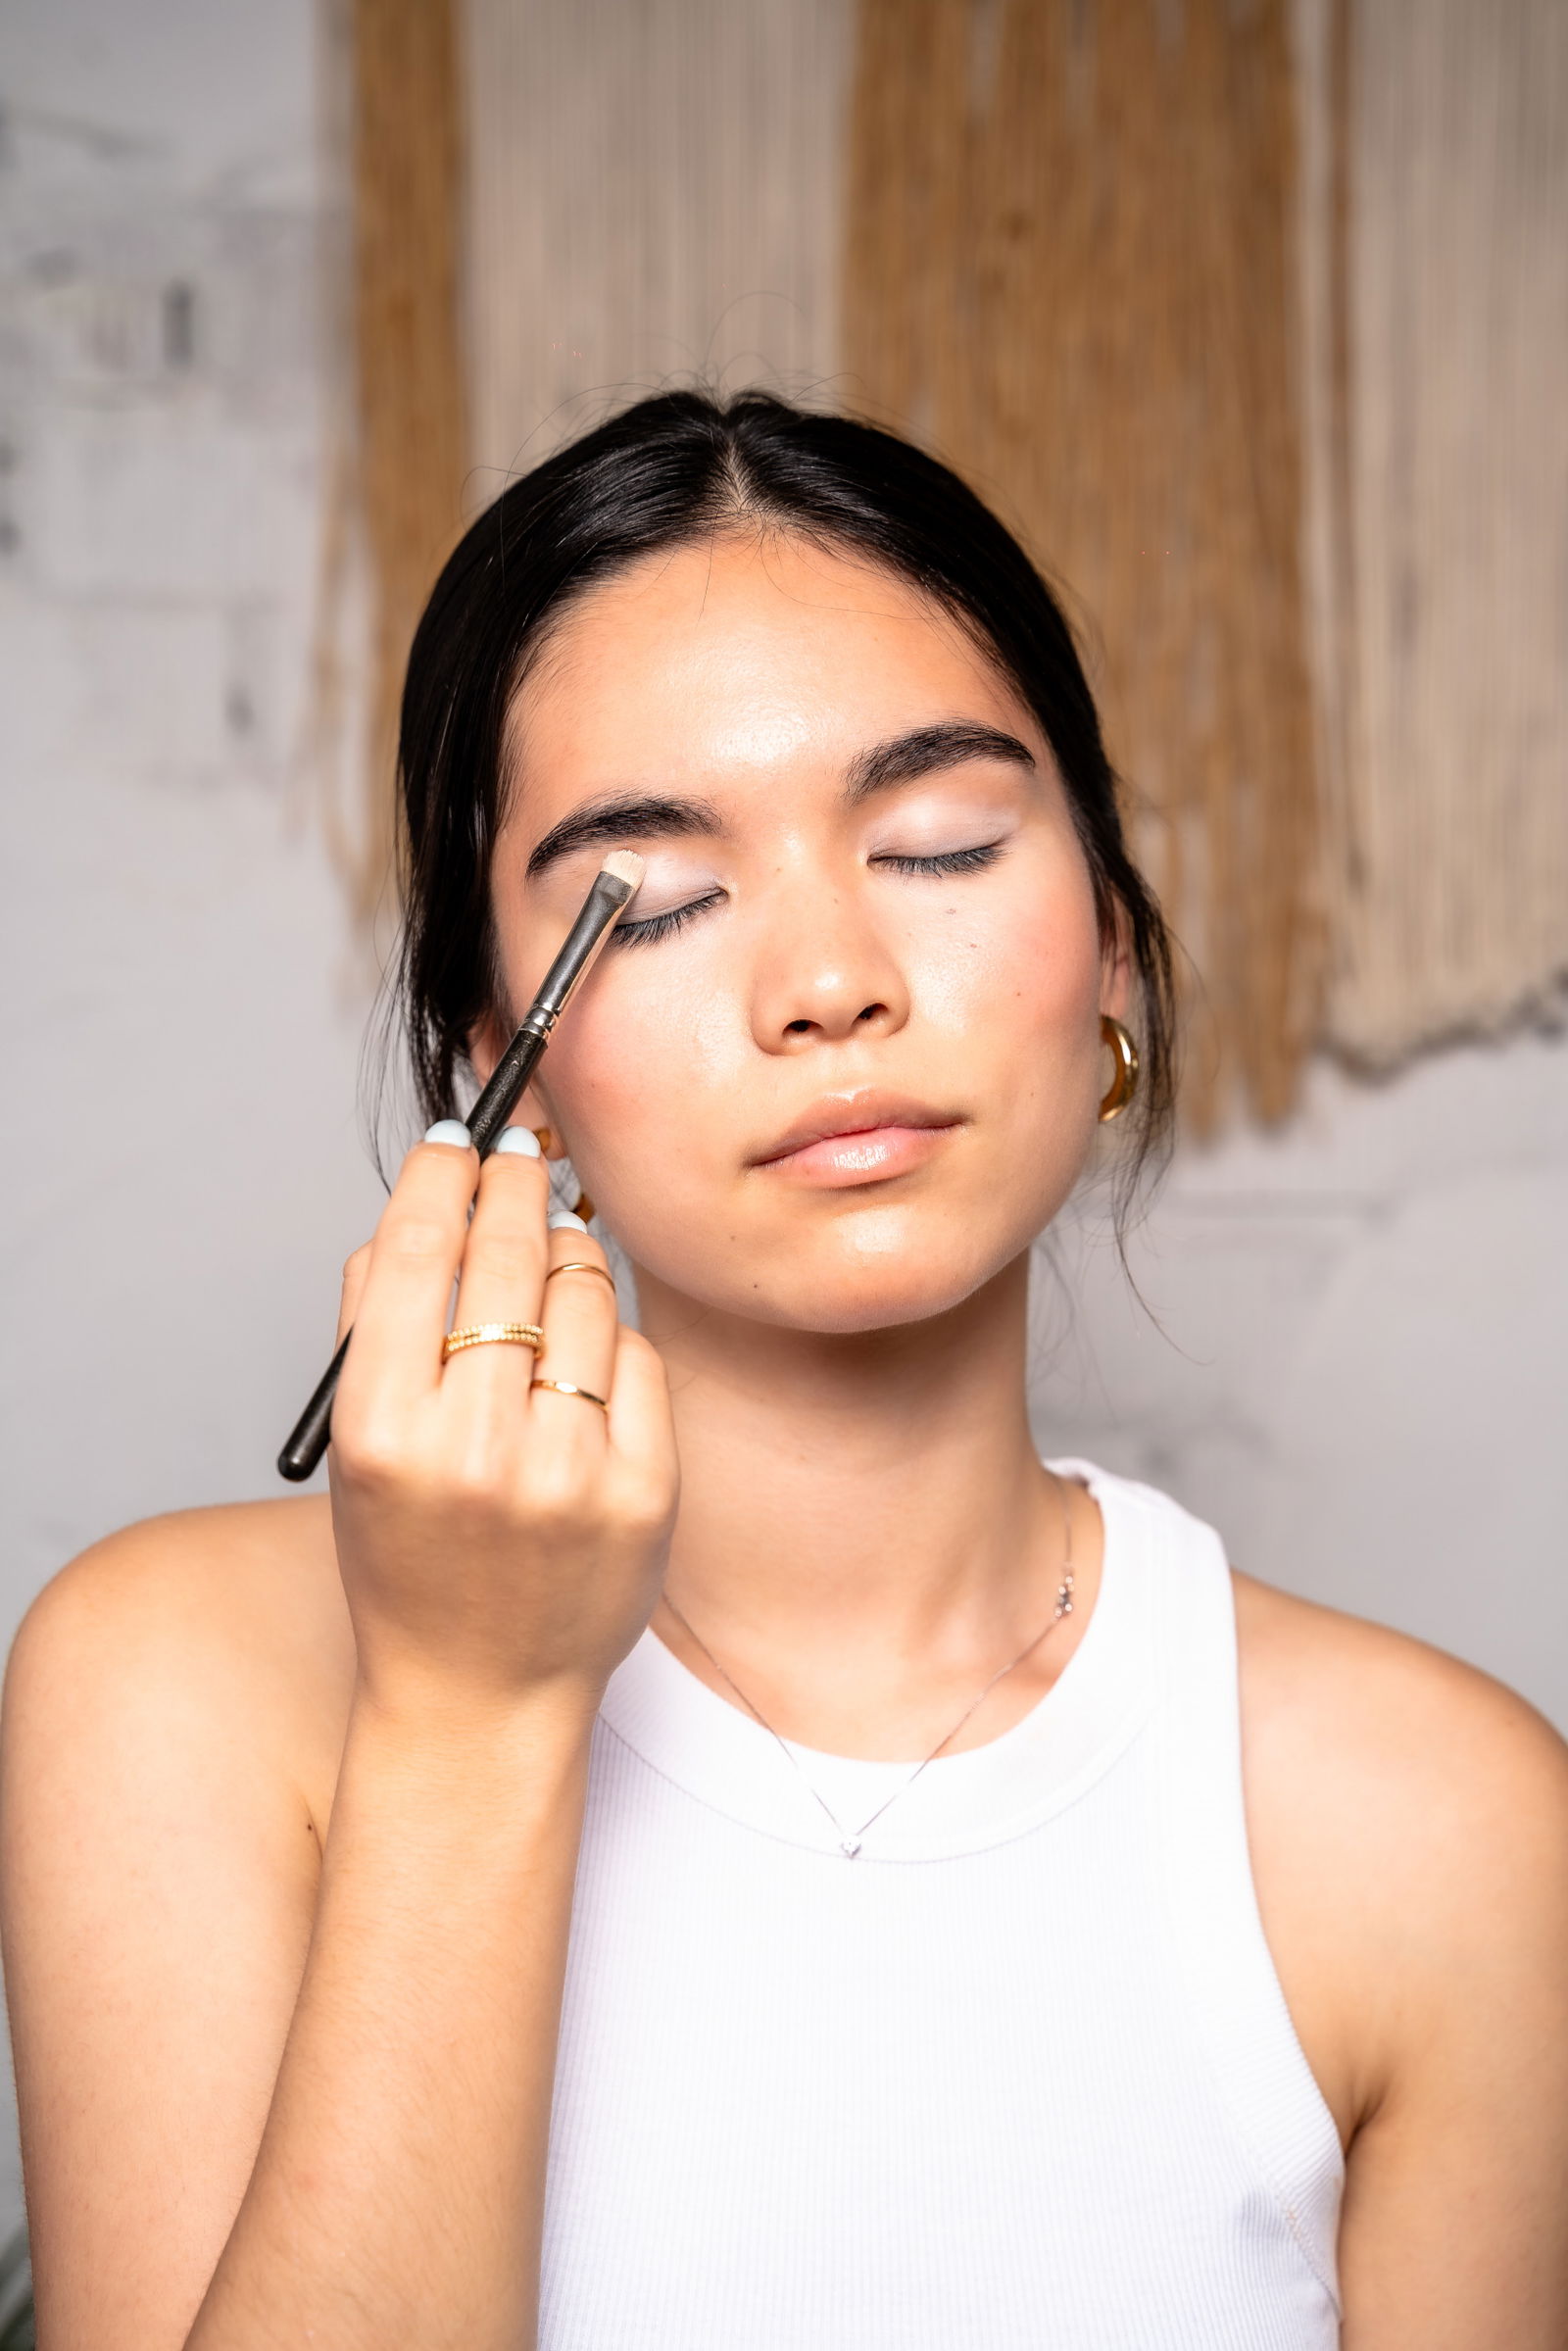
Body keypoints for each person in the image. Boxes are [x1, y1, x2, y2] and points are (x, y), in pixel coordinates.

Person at [2, 391, 1565, 2351]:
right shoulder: (180, 1686)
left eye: (936, 844)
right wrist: (468, 1717)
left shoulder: (1448, 1826)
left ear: (1109, 944)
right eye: (651, 901)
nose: (828, 983)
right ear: (503, 1064)